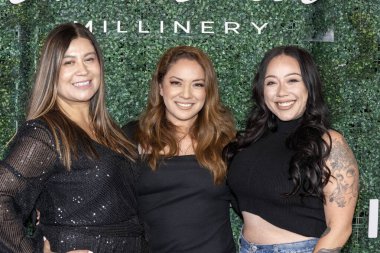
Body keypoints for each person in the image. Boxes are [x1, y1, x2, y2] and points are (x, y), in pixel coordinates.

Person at [0, 23, 149, 253]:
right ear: (52, 71)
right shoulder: (45, 133)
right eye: (69, 62)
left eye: (89, 59)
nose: (83, 70)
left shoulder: (111, 132)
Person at [225, 45, 359, 253]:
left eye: (292, 80)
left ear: (309, 85)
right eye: (271, 82)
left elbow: (340, 228)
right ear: (261, 90)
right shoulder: (250, 140)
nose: (281, 92)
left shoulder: (329, 143)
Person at [123, 45, 237, 253]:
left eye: (197, 84)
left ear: (207, 91)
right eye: (176, 83)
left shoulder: (227, 142)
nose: (186, 94)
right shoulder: (133, 136)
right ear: (160, 87)